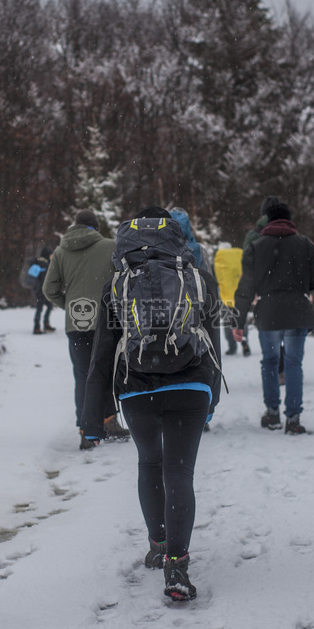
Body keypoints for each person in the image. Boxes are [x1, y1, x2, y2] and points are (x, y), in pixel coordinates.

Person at [81, 206, 222, 601]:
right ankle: (177, 566)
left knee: (149, 463)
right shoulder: (196, 277)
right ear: (175, 235)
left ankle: (158, 545)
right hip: (190, 386)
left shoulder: (117, 283)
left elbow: (102, 354)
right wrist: (210, 396)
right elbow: (213, 340)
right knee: (179, 473)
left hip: (137, 388)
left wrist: (94, 417)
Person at [233, 201, 314, 433]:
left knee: (270, 362)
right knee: (293, 363)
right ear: (289, 220)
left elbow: (246, 287)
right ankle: (293, 419)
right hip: (297, 311)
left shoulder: (255, 246)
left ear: (267, 220)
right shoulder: (304, 244)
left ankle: (272, 414)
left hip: (268, 313)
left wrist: (239, 321)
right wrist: (300, 287)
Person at [42, 209, 129, 449]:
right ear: (96, 228)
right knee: (108, 371)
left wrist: (69, 305)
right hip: (107, 322)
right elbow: (124, 281)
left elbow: (49, 289)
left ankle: (85, 429)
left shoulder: (60, 252)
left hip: (77, 323)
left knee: (83, 375)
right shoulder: (111, 246)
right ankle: (110, 421)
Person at [212, 244, 249, 356]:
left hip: (224, 296)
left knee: (228, 321)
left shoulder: (219, 260)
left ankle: (232, 347)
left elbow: (215, 279)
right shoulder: (239, 256)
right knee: (241, 320)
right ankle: (245, 344)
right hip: (240, 295)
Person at [25, 247, 55, 334]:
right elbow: (45, 279)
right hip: (42, 290)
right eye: (51, 254)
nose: (52, 256)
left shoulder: (39, 261)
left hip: (38, 290)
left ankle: (45, 324)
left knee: (47, 306)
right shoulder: (44, 264)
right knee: (41, 308)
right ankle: (37, 327)